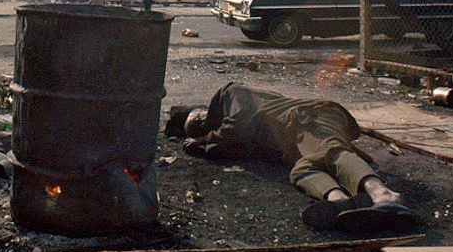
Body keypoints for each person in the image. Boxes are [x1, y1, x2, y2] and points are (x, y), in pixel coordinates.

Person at [175, 82, 419, 233]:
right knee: (302, 170)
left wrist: (205, 140)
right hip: (294, 137)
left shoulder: (232, 93)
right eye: (196, 127)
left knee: (331, 152)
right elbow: (234, 147)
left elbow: (237, 124)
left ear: (207, 112)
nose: (199, 124)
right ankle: (341, 203)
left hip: (308, 115)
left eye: (197, 120)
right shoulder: (233, 132)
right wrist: (206, 147)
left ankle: (385, 195)